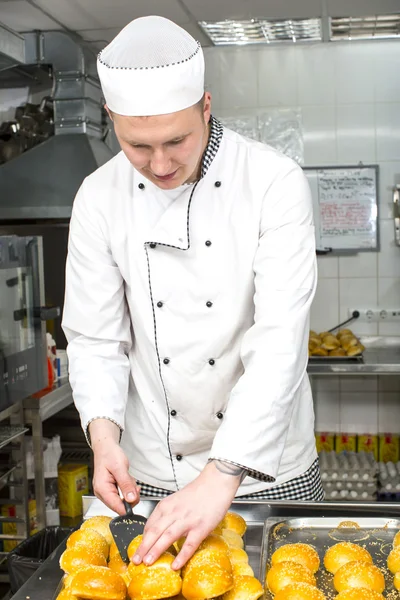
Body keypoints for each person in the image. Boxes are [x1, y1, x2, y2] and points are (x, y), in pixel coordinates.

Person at [62, 15, 323, 572]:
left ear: (206, 106)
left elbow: (279, 343)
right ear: (111, 119)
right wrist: (104, 438)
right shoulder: (97, 196)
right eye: (138, 146)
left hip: (265, 464)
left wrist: (223, 472)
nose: (160, 165)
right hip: (151, 470)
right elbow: (95, 336)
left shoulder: (273, 182)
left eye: (176, 141)